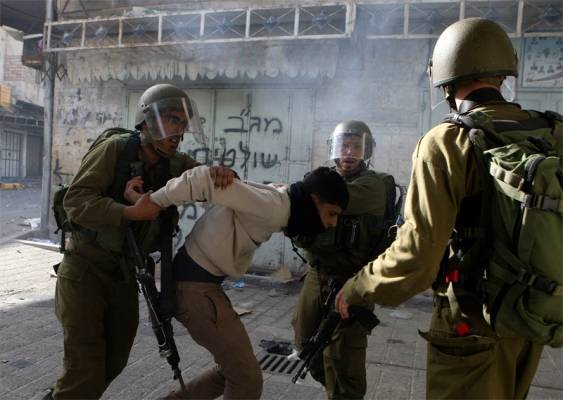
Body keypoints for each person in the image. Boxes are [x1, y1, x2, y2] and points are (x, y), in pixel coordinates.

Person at [335, 18, 556, 399]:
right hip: (531, 318)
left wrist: (358, 286)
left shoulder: (447, 141)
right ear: (504, 70)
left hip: (470, 327)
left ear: (445, 78)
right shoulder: (552, 131)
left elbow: (417, 258)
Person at [50, 83, 234, 399]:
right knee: (85, 366)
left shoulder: (175, 164)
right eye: (171, 120)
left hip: (125, 274)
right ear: (147, 121)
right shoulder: (115, 150)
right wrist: (129, 212)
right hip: (85, 269)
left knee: (114, 360)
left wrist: (224, 176)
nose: (177, 131)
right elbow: (76, 202)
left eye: (182, 123)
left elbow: (206, 182)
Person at [124, 165, 349, 399]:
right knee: (247, 379)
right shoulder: (275, 207)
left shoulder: (283, 200)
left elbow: (233, 189)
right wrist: (153, 202)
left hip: (198, 286)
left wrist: (230, 176)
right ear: (314, 200)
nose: (332, 223)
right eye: (331, 213)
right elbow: (202, 179)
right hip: (195, 292)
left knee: (234, 371)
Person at [290, 121, 397, 399]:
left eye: (356, 147)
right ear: (333, 149)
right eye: (344, 146)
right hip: (317, 276)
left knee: (343, 358)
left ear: (367, 151)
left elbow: (335, 199)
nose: (349, 152)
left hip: (353, 281)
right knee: (305, 345)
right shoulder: (319, 181)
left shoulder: (373, 185)